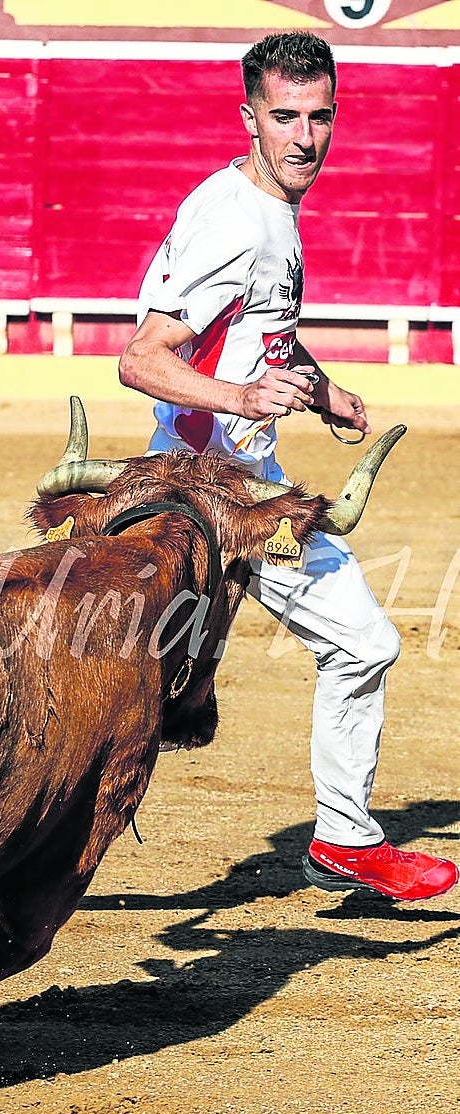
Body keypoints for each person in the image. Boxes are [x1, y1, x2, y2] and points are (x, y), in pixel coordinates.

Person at [118, 31, 456, 901]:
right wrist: (240, 403)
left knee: (141, 687)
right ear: (249, 118)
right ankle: (345, 840)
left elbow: (257, 328)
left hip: (222, 481)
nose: (304, 136)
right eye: (284, 117)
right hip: (214, 492)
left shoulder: (264, 207)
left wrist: (319, 388)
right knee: (363, 643)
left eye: (319, 116)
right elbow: (143, 358)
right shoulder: (231, 219)